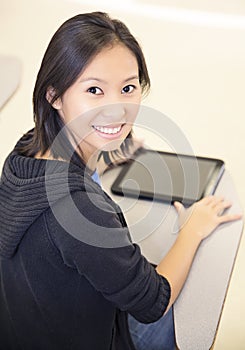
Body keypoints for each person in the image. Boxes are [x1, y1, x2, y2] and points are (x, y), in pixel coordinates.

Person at [0, 12, 242, 350]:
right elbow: (152, 301)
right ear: (54, 96)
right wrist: (192, 228)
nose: (117, 110)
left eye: (128, 88)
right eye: (95, 90)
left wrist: (108, 145)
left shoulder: (25, 151)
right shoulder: (80, 213)